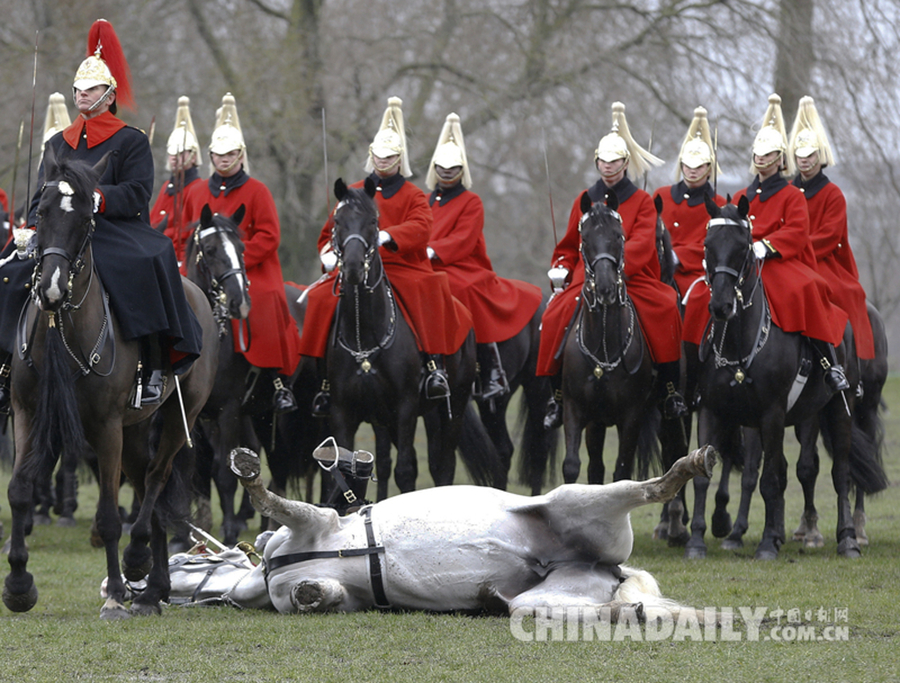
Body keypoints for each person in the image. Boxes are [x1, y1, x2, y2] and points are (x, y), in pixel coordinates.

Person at [0, 19, 204, 415]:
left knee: (151, 260)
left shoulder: (132, 140)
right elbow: (46, 189)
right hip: (62, 228)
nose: (81, 95)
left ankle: (151, 370)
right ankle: (7, 365)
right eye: (78, 89)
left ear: (108, 95)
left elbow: (137, 192)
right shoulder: (58, 143)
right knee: (9, 267)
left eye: (90, 89)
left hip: (114, 228)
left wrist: (96, 198)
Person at [299, 96, 472, 416]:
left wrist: (390, 236)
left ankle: (433, 365)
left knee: (430, 290)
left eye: (390, 157)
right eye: (378, 156)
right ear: (371, 156)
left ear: (399, 159)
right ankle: (321, 378)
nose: (383, 161)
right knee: (322, 298)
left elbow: (422, 226)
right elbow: (330, 231)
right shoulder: (350, 192)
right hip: (355, 264)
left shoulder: (414, 195)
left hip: (401, 264)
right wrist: (328, 252)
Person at [684, 94, 848, 392]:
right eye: (757, 156)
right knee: (701, 296)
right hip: (748, 262)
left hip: (781, 261)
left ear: (779, 159)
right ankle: (696, 368)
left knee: (806, 288)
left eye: (767, 155)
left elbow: (798, 232)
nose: (760, 160)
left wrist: (766, 246)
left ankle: (829, 362)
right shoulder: (746, 195)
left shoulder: (791, 195)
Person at [539, 102, 687, 429]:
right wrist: (562, 266)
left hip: (633, 277)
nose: (609, 167)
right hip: (586, 278)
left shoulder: (643, 201)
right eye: (603, 161)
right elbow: (568, 244)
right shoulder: (584, 199)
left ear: (625, 163)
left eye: (615, 161)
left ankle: (669, 389)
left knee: (665, 307)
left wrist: (615, 269)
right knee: (552, 315)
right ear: (597, 162)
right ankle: (557, 395)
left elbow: (644, 242)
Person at [180, 93, 300, 414]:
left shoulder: (258, 191)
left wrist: (235, 260)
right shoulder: (195, 191)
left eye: (230, 153)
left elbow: (270, 235)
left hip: (249, 266)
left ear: (240, 155)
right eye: (218, 154)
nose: (223, 159)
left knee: (268, 297)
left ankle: (276, 379)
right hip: (205, 267)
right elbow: (184, 235)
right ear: (210, 156)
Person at [424, 113, 542, 400]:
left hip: (464, 265)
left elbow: (463, 240)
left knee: (462, 288)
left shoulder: (471, 201)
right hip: (428, 264)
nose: (447, 173)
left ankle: (488, 364)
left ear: (461, 169)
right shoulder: (428, 199)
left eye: (453, 168)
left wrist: (433, 250)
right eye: (442, 168)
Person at [788, 95, 875, 364]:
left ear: (819, 156)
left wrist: (795, 247)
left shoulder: (833, 193)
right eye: (800, 155)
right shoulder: (788, 191)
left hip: (821, 259)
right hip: (788, 258)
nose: (804, 160)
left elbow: (830, 236)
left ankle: (855, 363)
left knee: (845, 294)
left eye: (810, 155)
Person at [653, 106, 726, 361]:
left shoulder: (715, 202)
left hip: (692, 272)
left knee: (697, 299)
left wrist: (676, 257)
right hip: (657, 268)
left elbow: (711, 244)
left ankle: (694, 355)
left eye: (699, 166)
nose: (692, 171)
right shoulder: (661, 195)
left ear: (709, 168)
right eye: (688, 165)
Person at [152, 96, 203, 257]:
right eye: (171, 153)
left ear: (193, 156)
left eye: (181, 153)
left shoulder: (198, 188)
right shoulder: (167, 186)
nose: (174, 157)